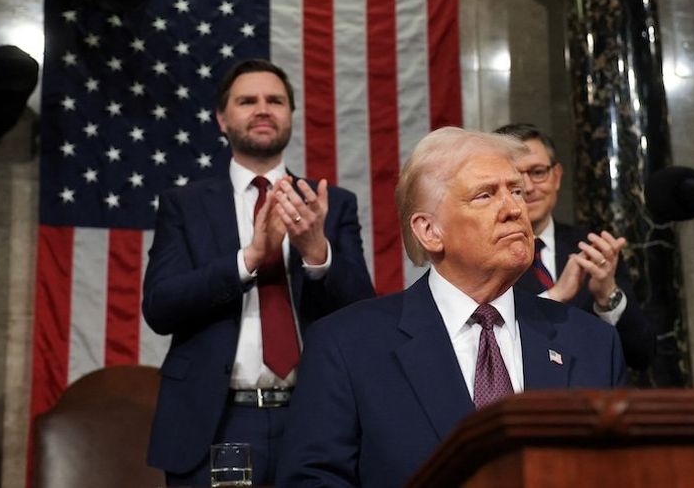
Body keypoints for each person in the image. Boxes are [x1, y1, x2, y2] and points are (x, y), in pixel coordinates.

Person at [276, 127, 625, 488]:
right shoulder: (347, 346)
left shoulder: (592, 343)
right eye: (484, 195)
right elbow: (312, 480)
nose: (513, 209)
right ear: (429, 231)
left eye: (516, 191)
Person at [141, 59, 375, 486]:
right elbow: (159, 306)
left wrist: (316, 252)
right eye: (247, 101)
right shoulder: (184, 205)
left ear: (290, 115)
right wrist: (248, 258)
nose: (263, 109)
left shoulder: (330, 203)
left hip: (315, 414)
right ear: (221, 118)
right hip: (218, 420)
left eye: (276, 101)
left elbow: (363, 312)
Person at [494, 122, 655, 370]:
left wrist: (607, 296)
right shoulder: (482, 257)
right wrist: (554, 297)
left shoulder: (592, 248)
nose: (528, 187)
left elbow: (641, 355)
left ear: (557, 177)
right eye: (515, 178)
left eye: (538, 172)